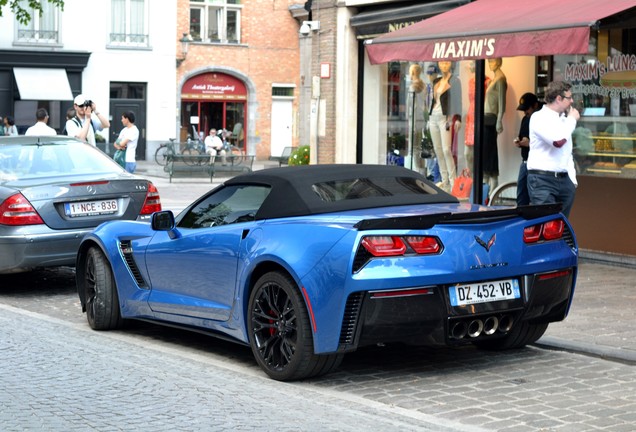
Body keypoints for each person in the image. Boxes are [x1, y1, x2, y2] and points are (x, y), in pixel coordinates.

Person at [527, 81, 579, 218]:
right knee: (545, 225)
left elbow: (567, 152)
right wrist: (572, 120)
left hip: (564, 180)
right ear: (558, 98)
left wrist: (572, 181)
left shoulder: (563, 119)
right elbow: (557, 141)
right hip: (542, 180)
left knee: (562, 226)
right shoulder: (539, 117)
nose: (572, 101)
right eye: (569, 97)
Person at [428, 60, 461, 192]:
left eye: (447, 63)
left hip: (445, 118)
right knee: (438, 150)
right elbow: (433, 100)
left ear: (451, 64)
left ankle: (454, 182)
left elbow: (458, 100)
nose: (444, 65)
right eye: (441, 63)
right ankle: (445, 181)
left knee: (447, 150)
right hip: (433, 117)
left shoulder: (455, 81)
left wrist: (457, 118)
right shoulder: (436, 81)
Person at [513, 93, 542, 206]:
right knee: (521, 197)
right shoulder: (525, 119)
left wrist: (530, 144)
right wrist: (519, 141)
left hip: (537, 165)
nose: (525, 112)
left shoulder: (542, 119)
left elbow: (549, 144)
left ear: (535, 105)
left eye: (527, 109)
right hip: (525, 162)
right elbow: (522, 136)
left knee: (535, 198)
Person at [483, 58, 507, 192]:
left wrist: (499, 119)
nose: (490, 64)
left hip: (492, 118)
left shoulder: (500, 79)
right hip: (486, 117)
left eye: (492, 62)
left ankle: (493, 183)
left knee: (490, 151)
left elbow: (502, 102)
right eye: (489, 62)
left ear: (498, 62)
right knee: (486, 151)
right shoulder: (495, 78)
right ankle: (488, 182)